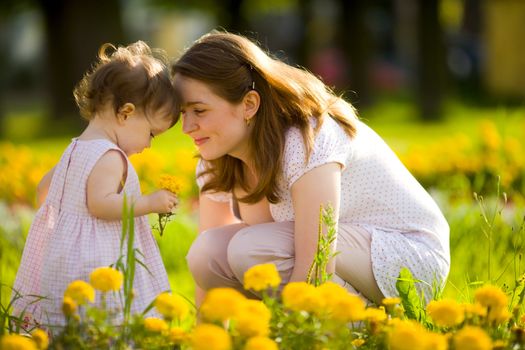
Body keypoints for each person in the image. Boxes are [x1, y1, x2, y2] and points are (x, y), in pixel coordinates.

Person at [172, 31, 450, 306]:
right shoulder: (216, 154)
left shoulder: (306, 137)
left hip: (412, 260)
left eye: (199, 110)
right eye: (183, 113)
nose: (187, 127)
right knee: (207, 252)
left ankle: (369, 326)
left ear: (249, 104)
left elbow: (316, 264)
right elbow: (207, 267)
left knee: (252, 250)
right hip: (344, 258)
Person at [12, 41, 179, 331]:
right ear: (126, 113)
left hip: (63, 258)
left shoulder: (74, 148)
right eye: (152, 133)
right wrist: (149, 203)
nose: (150, 145)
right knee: (106, 323)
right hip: (97, 263)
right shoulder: (111, 156)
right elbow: (101, 205)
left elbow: (43, 191)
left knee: (68, 326)